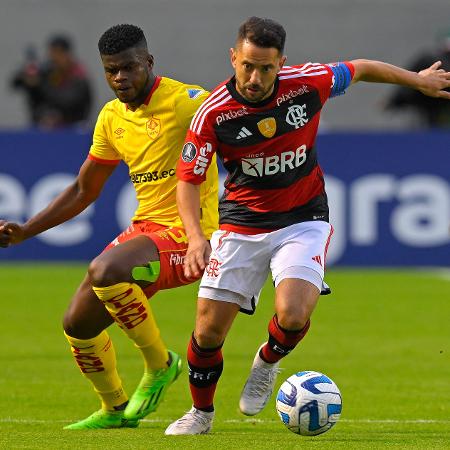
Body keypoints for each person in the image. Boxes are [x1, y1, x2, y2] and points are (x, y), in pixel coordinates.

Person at [165, 16, 450, 435]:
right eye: (247, 65)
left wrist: (418, 81)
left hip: (303, 218)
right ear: (233, 57)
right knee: (207, 332)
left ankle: (267, 362)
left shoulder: (309, 82)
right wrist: (194, 238)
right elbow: (188, 179)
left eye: (265, 67)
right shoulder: (213, 113)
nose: (255, 77)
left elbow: (363, 67)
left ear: (282, 62)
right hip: (241, 224)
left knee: (293, 314)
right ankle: (201, 414)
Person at [0, 24, 218, 429]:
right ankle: (114, 408)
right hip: (147, 231)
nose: (120, 78)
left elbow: (241, 139)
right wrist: (27, 230)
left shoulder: (189, 103)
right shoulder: (112, 117)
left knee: (105, 269)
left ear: (148, 62)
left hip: (189, 237)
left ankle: (161, 364)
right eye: (111, 70)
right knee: (77, 325)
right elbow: (85, 189)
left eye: (129, 68)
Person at [10, 34, 92, 129]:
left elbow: (67, 101)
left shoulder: (78, 76)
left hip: (73, 129)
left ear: (67, 54)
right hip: (47, 128)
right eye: (52, 54)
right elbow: (16, 83)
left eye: (58, 54)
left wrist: (39, 84)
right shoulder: (50, 72)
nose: (54, 59)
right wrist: (27, 78)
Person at [385, 28, 450, 128]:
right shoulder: (430, 58)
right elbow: (410, 80)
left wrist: (395, 101)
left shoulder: (429, 57)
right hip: (428, 109)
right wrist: (396, 100)